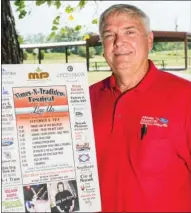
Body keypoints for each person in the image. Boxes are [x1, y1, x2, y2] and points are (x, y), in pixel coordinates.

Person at [90, 4, 191, 212]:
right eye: (109, 35)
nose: (119, 43)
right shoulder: (86, 99)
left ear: (150, 40)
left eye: (130, 32)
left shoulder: (185, 96)